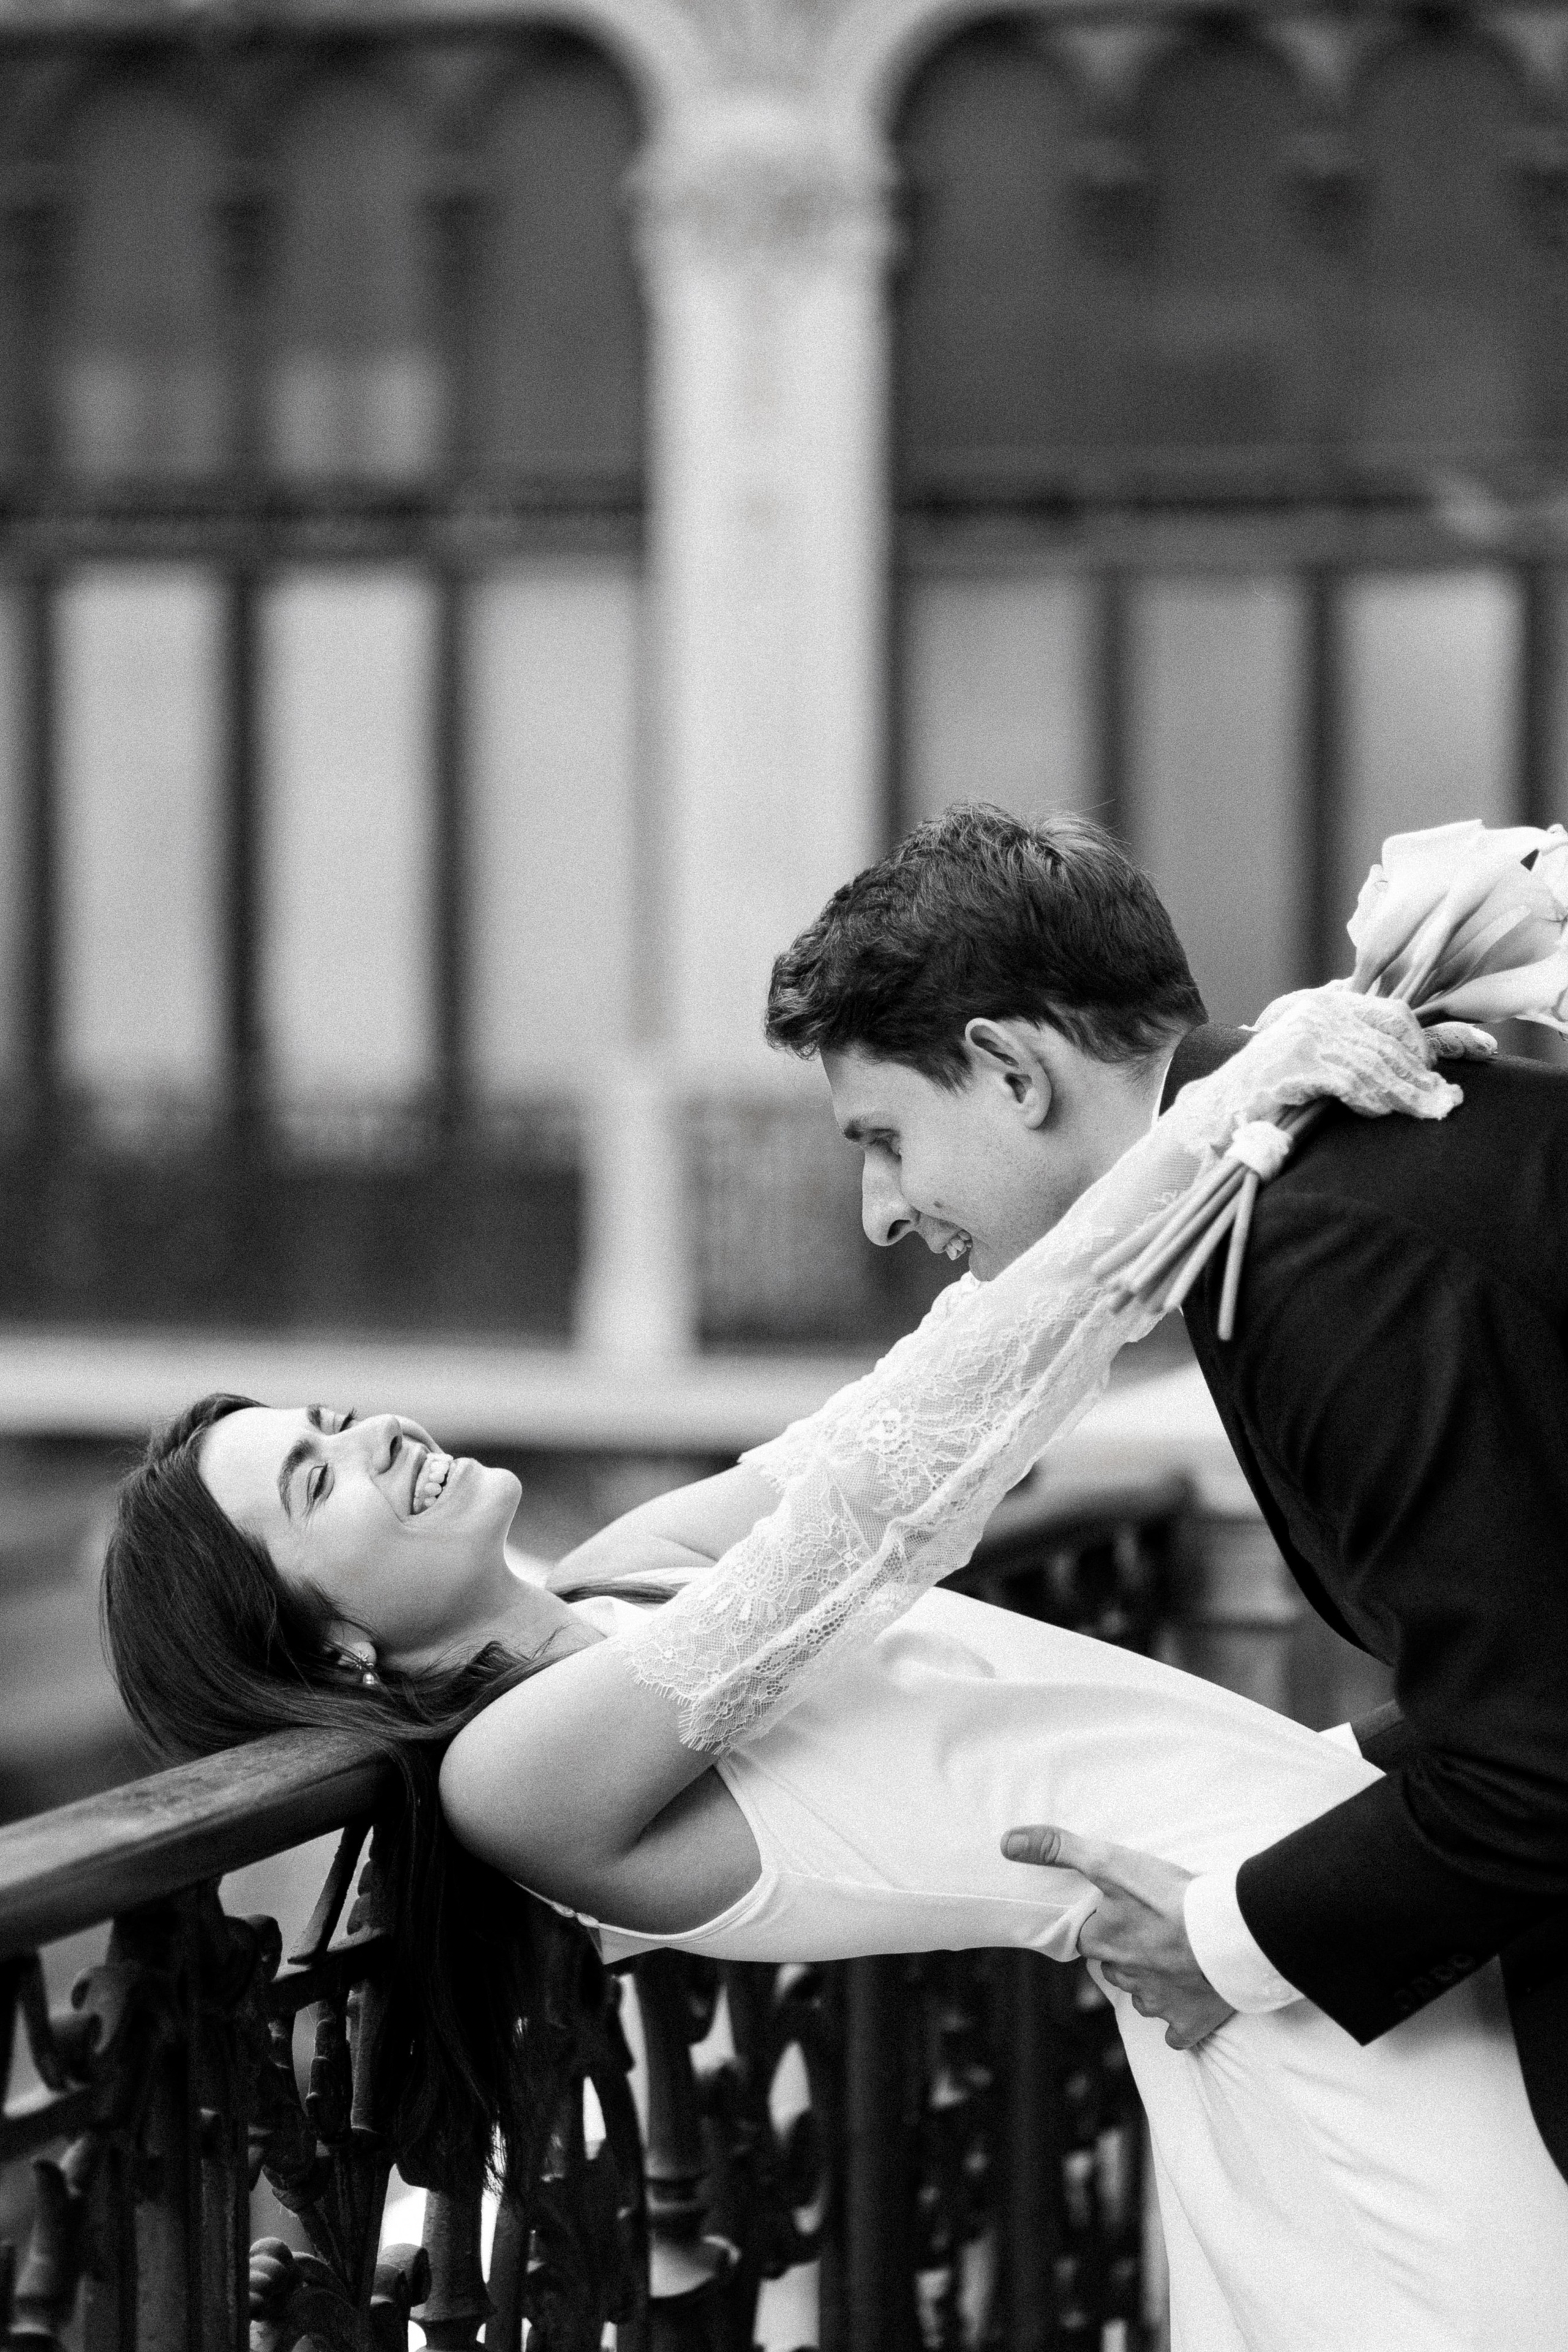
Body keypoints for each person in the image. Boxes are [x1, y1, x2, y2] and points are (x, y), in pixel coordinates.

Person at [102, 986, 1567, 2352]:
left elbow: (948, 1384)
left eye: (336, 1416)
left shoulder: (624, 1573)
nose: (369, 1440)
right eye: (315, 1482)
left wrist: (1239, 1107)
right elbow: (882, 1505)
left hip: (1323, 1936)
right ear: (333, 1650)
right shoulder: (512, 1778)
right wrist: (1213, 1117)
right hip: (1307, 2033)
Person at [751, 803, 1568, 2197]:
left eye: (880, 1137)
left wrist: (1221, 1940)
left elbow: (1538, 1762)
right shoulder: (1315, 1179)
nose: (883, 1211)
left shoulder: (1316, 1247)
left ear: (1009, 1070)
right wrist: (1335, 1774)